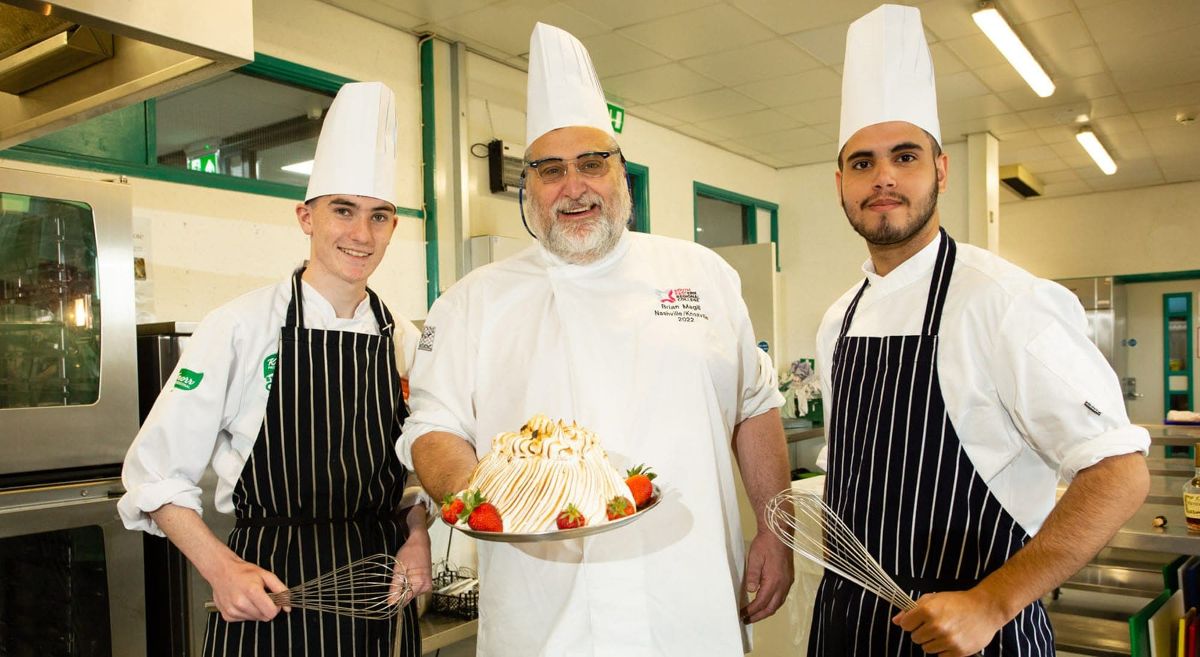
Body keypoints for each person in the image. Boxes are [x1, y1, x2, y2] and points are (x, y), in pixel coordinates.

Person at [398, 22, 794, 657]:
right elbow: (432, 427)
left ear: (622, 177)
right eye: (550, 170)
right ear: (527, 186)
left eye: (591, 164)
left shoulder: (702, 275)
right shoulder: (475, 300)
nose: (572, 186)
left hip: (688, 598)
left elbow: (755, 406)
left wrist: (776, 530)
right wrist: (480, 501)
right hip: (544, 615)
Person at [810, 5, 1151, 656]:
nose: (882, 177)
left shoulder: (1005, 303)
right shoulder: (840, 318)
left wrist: (991, 602)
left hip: (977, 639)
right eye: (862, 162)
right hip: (849, 632)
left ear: (940, 170)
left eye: (903, 156)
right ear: (840, 184)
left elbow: (1118, 470)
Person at [119, 82, 430, 657]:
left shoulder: (404, 339)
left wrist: (417, 538)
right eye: (343, 210)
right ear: (305, 217)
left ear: (393, 226)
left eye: (379, 216)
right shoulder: (238, 328)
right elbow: (154, 474)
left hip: (379, 596)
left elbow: (416, 470)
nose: (361, 234)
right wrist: (221, 569)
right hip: (270, 594)